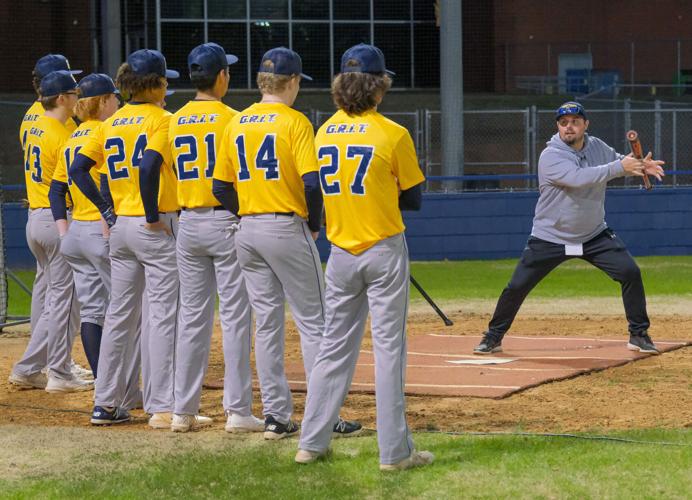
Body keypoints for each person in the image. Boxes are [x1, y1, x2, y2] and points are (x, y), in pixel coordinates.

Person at [296, 44, 433, 471]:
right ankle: (395, 453)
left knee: (333, 348)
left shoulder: (324, 132)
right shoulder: (392, 133)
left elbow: (317, 189)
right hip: (382, 248)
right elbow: (414, 199)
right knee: (389, 350)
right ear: (378, 86)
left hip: (340, 253)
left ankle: (311, 443)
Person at [213, 47, 361, 440]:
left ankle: (277, 417)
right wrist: (314, 224)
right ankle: (324, 415)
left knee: (266, 325)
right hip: (284, 226)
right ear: (291, 81)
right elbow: (312, 183)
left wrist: (245, 211)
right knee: (316, 323)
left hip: (248, 232)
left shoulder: (238, 122)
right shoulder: (294, 123)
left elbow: (220, 186)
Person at [474, 101, 665, 356]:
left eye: (575, 121)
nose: (569, 127)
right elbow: (578, 178)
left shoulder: (596, 146)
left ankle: (638, 334)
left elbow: (619, 161)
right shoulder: (551, 155)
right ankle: (493, 336)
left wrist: (639, 166)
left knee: (630, 272)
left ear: (585, 125)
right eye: (563, 123)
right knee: (517, 286)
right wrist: (621, 167)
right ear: (558, 127)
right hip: (550, 236)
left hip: (594, 234)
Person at [69, 49, 180, 427]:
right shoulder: (164, 119)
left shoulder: (110, 123)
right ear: (158, 83)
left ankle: (106, 403)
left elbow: (78, 170)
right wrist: (151, 215)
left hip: (120, 231)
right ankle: (162, 404)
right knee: (162, 315)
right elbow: (150, 166)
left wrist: (107, 210)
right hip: (151, 225)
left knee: (119, 316)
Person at [166, 42, 262, 433]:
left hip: (188, 222)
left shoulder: (174, 120)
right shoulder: (232, 118)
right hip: (225, 220)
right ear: (221, 76)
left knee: (192, 319)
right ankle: (238, 411)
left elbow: (167, 165)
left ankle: (182, 411)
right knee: (237, 318)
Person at [48, 73, 143, 410]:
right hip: (100, 234)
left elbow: (57, 190)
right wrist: (106, 212)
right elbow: (96, 179)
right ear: (103, 101)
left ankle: (105, 384)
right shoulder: (106, 129)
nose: (118, 101)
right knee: (127, 313)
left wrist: (64, 233)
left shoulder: (72, 137)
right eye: (114, 97)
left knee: (93, 311)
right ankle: (126, 391)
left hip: (75, 234)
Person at [9, 70, 90, 393]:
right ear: (60, 98)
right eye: (73, 93)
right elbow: (69, 185)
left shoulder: (35, 120)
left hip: (36, 217)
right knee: (64, 303)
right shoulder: (60, 134)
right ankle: (54, 370)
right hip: (57, 220)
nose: (77, 97)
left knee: (52, 299)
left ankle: (39, 367)